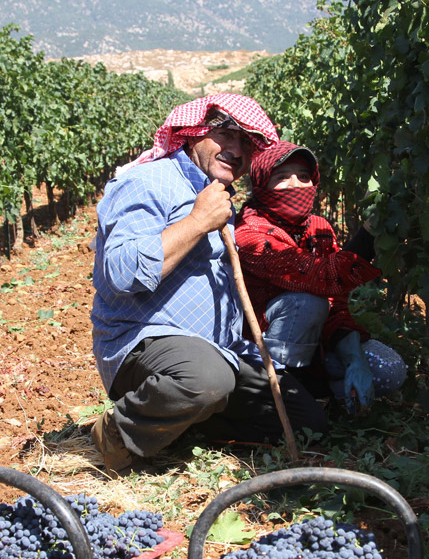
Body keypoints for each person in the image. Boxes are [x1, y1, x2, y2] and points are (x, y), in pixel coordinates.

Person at [90, 95, 328, 473]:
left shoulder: (216, 193)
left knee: (306, 422)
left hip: (220, 352)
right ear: (193, 133)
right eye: (224, 135)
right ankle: (117, 431)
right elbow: (119, 273)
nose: (235, 149)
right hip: (144, 344)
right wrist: (198, 222)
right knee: (206, 378)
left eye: (247, 142)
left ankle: (180, 423)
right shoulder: (150, 182)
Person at [234, 140, 406, 414]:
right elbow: (317, 277)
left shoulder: (318, 227)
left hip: (316, 345)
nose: (296, 184)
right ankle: (276, 395)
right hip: (261, 351)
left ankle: (312, 390)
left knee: (390, 369)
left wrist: (354, 360)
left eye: (303, 176)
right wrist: (368, 234)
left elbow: (335, 300)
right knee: (307, 303)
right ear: (261, 186)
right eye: (282, 177)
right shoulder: (250, 233)